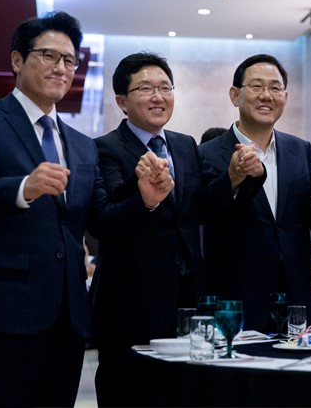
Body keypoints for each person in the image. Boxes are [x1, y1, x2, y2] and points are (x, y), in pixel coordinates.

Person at [0, 11, 172, 406]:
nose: (61, 68)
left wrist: (144, 200)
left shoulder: (81, 144)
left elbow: (100, 221)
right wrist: (22, 188)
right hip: (3, 314)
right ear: (17, 60)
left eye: (69, 60)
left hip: (68, 317)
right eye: (49, 55)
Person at [90, 52, 205, 406]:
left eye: (165, 88)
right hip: (130, 306)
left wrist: (235, 179)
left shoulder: (185, 144)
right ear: (122, 101)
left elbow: (196, 211)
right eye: (145, 89)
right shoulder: (104, 148)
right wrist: (146, 201)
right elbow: (103, 221)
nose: (158, 97)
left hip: (187, 303)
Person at [199, 54, 311, 332]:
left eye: (275, 88)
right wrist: (232, 178)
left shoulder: (301, 150)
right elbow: (202, 213)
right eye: (256, 86)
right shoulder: (206, 153)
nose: (266, 95)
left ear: (285, 97)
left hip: (297, 304)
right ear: (235, 95)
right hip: (237, 304)